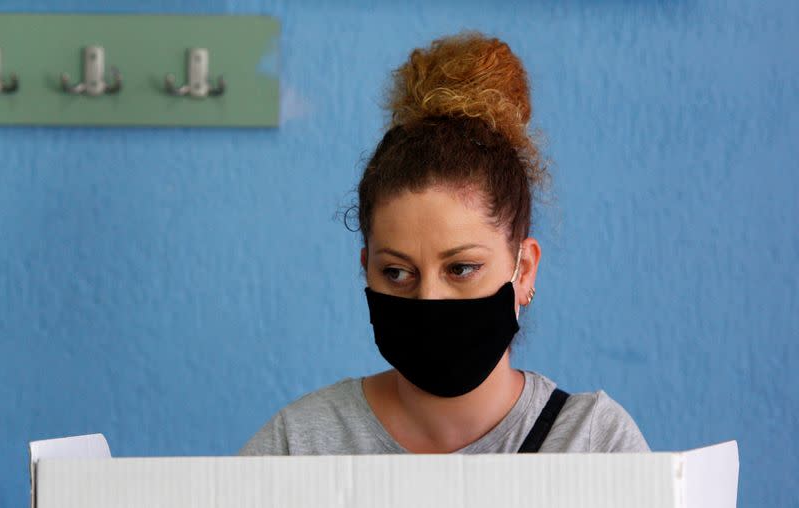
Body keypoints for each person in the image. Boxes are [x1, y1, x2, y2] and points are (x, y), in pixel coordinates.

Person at [239, 32, 648, 456]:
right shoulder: (301, 446)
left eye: (461, 268)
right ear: (367, 269)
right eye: (397, 272)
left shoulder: (593, 444)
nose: (428, 299)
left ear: (523, 269)